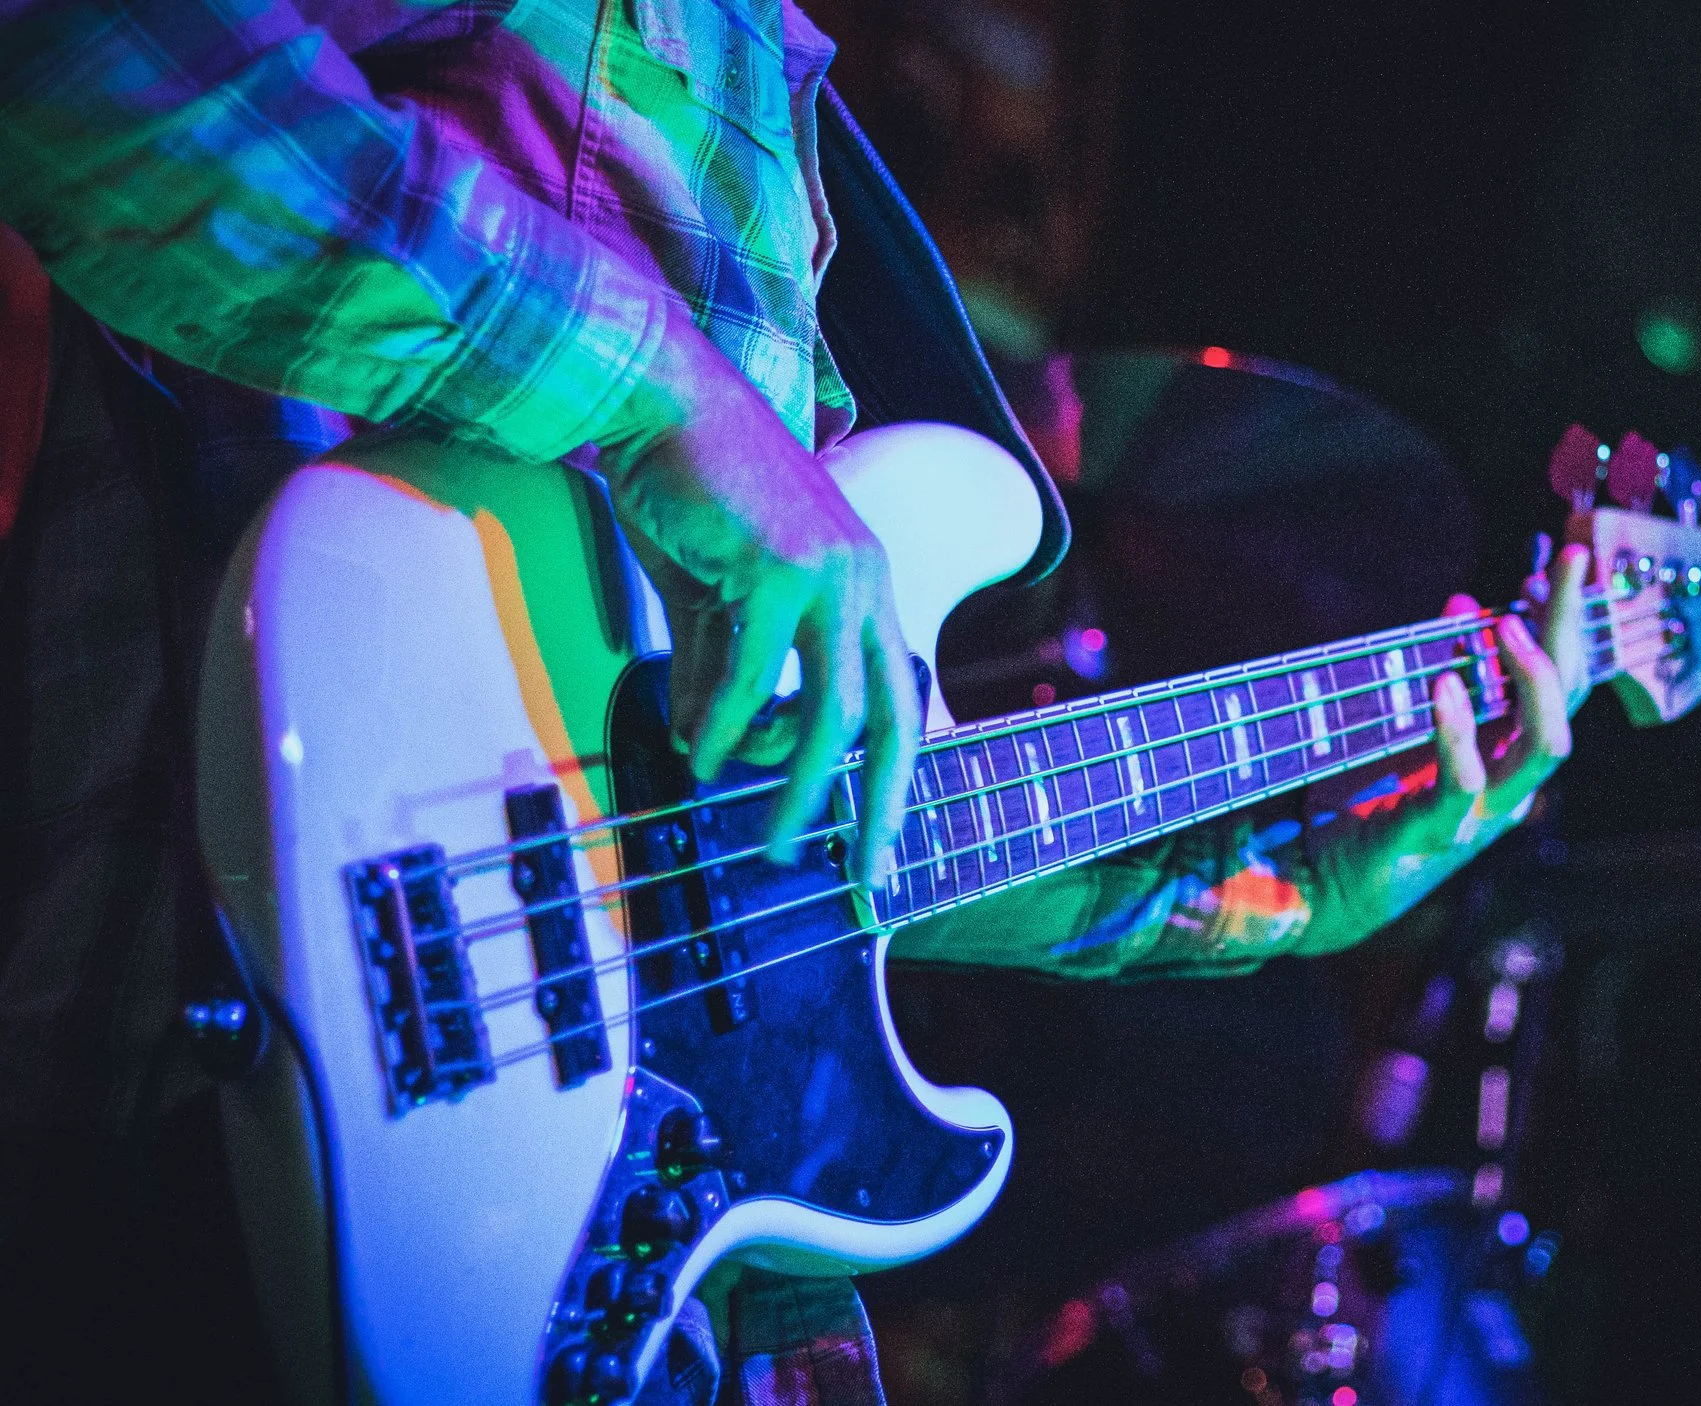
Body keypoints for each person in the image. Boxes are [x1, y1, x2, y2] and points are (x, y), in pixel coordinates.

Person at [0, 1, 1589, 1401]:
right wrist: (654, 390)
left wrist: (1279, 897)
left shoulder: (767, 85)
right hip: (160, 1146)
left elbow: (806, 843)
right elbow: (89, 63)